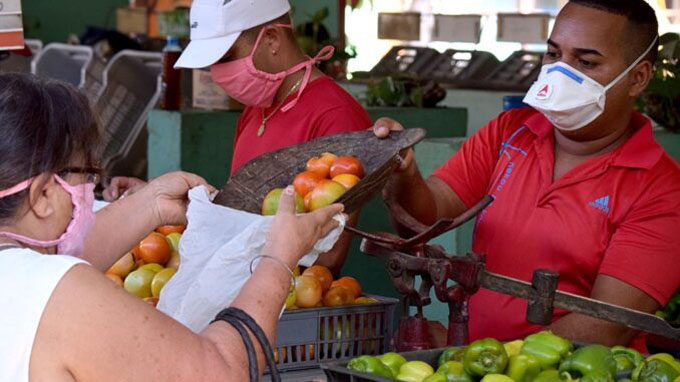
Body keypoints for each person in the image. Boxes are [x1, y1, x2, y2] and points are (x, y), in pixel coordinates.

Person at [373, 0, 680, 348]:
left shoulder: (663, 191)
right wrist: (404, 172)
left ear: (638, 78)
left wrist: (472, 354)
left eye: (586, 62)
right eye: (553, 54)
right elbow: (423, 219)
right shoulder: (510, 133)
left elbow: (608, 326)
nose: (561, 73)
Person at [0, 73, 343, 381]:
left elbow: (42, 266)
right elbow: (219, 372)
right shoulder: (61, 294)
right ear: (43, 194)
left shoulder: (25, 276)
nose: (90, 190)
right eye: (85, 175)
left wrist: (151, 204)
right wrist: (278, 260)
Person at [105, 0, 371, 275]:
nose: (217, 72)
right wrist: (155, 202)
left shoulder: (337, 116)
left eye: (226, 57)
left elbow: (328, 257)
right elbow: (241, 211)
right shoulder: (256, 109)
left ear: (271, 39)